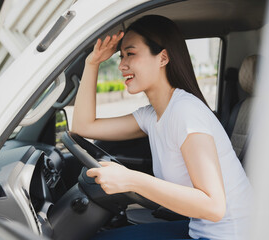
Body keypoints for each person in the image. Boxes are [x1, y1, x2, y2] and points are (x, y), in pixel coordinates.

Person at [72, 15, 252, 240]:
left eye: (131, 54)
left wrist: (132, 179)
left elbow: (214, 207)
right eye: (121, 56)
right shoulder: (152, 115)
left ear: (163, 58)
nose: (121, 65)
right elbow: (83, 126)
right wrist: (92, 63)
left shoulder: (186, 112)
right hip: (198, 230)